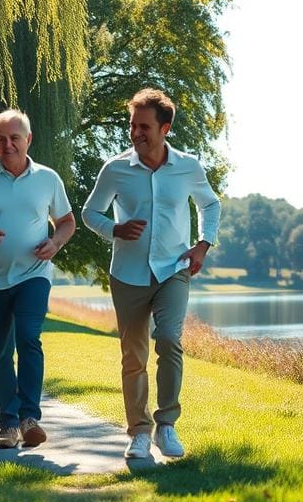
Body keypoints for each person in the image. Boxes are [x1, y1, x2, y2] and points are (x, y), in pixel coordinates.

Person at [82, 88, 220, 460]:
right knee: (133, 355)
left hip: (174, 269)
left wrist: (203, 244)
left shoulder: (188, 166)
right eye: (132, 125)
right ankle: (139, 432)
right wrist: (115, 229)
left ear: (165, 128)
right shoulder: (116, 169)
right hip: (127, 274)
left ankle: (167, 425)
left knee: (170, 339)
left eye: (144, 126)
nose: (136, 133)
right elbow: (89, 212)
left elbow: (210, 203)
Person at [0, 109, 76, 449]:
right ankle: (7, 425)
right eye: (1, 139)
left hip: (33, 275)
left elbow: (66, 221)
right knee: (0, 352)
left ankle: (29, 417)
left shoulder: (48, 178)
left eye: (14, 138)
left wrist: (56, 242)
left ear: (28, 140)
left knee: (29, 338)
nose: (8, 144)